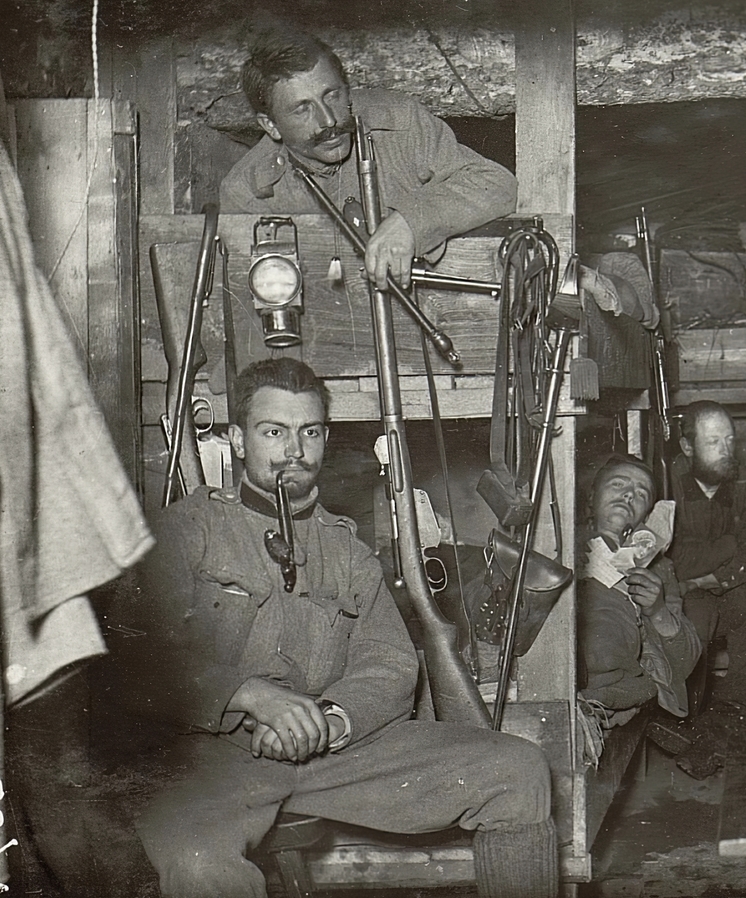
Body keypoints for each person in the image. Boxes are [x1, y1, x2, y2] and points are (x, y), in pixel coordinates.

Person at [125, 358, 554, 898]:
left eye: (309, 432)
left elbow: (389, 665)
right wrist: (249, 695)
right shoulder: (186, 531)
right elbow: (132, 660)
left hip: (331, 754)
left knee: (517, 771)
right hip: (209, 761)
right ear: (237, 440)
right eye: (273, 431)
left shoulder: (348, 551)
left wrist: (331, 720)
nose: (293, 451)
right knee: (198, 862)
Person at [220, 28, 517, 288]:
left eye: (332, 95)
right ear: (270, 126)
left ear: (347, 90)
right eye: (302, 109)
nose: (328, 121)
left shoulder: (399, 121)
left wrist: (411, 221)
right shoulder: (247, 191)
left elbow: (497, 185)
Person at [577, 453, 702, 725]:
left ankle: (597, 700)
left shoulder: (658, 569)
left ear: (646, 515)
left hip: (616, 678)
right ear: (592, 497)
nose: (629, 495)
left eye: (641, 492)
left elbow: (685, 662)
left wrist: (657, 611)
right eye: (618, 485)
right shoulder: (560, 547)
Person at [670, 400, 746, 712]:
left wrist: (707, 578)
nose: (725, 450)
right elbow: (674, 560)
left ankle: (737, 712)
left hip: (727, 586)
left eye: (729, 440)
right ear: (688, 447)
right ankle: (688, 718)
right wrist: (729, 545)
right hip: (684, 595)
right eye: (713, 442)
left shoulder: (744, 481)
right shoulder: (667, 481)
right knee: (691, 620)